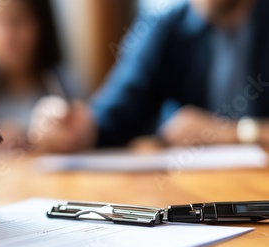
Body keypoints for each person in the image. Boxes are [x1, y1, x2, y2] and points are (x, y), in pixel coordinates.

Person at [33, 0, 269, 153]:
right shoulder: (167, 25)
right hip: (197, 193)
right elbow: (116, 110)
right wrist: (74, 129)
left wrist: (232, 133)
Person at [0, 0, 77, 150]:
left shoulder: (59, 83)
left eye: (17, 21)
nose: (5, 36)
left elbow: (80, 139)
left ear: (41, 25)